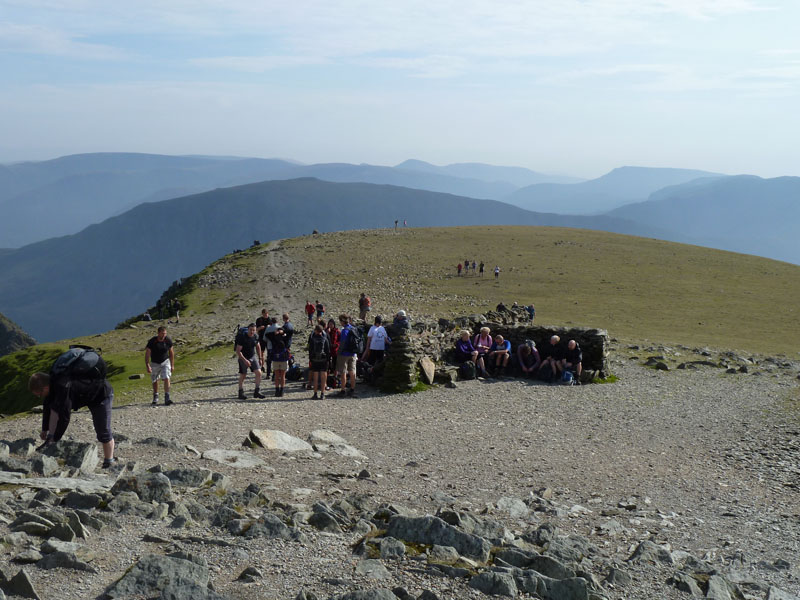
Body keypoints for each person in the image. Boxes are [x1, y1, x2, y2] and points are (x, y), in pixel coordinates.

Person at [29, 370, 116, 468]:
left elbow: (65, 418)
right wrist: (45, 429)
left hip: (101, 395)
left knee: (102, 430)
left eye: (39, 394)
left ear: (45, 388)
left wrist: (56, 439)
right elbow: (47, 407)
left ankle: (109, 461)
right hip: (85, 394)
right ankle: (50, 439)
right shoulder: (52, 385)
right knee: (54, 408)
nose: (39, 396)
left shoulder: (63, 388)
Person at [145, 326, 175, 406]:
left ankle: (167, 397)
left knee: (166, 377)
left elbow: (171, 353)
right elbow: (147, 354)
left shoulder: (168, 340)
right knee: (155, 379)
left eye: (165, 333)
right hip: (154, 362)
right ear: (158, 333)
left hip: (165, 361)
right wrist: (147, 365)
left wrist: (172, 365)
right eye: (162, 333)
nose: (164, 335)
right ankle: (155, 396)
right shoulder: (152, 341)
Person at [235, 323, 264, 399]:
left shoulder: (255, 336)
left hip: (252, 356)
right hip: (243, 357)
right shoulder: (242, 337)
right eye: (250, 330)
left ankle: (257, 391)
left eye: (253, 330)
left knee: (259, 373)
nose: (252, 332)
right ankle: (240, 392)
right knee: (243, 375)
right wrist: (245, 360)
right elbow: (238, 351)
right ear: (248, 329)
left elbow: (258, 347)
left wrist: (260, 358)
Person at [307, 324, 331, 399]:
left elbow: (310, 350)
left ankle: (315, 393)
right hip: (323, 359)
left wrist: (311, 359)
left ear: (316, 331)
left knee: (316, 376)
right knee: (323, 376)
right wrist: (328, 360)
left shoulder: (312, 339)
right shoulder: (325, 338)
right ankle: (322, 394)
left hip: (315, 359)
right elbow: (328, 350)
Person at [336, 314, 357, 397]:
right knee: (352, 371)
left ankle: (343, 390)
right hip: (353, 353)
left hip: (344, 354)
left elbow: (342, 343)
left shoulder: (344, 331)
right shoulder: (353, 328)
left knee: (343, 372)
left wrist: (339, 352)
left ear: (342, 321)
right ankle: (352, 389)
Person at [267, 325, 290, 397]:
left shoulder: (285, 337)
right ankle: (278, 390)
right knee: (278, 375)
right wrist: (275, 333)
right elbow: (267, 334)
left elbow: (291, 332)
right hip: (277, 357)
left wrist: (283, 333)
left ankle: (281, 390)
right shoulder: (274, 337)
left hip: (282, 357)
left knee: (282, 375)